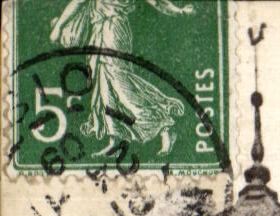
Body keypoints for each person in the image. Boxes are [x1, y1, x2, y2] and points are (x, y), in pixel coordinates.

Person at [49, 0, 193, 157]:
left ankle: (164, 126)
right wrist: (59, 27)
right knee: (103, 85)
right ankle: (115, 139)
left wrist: (179, 10)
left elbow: (157, 2)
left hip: (114, 31)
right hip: (98, 31)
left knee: (119, 84)